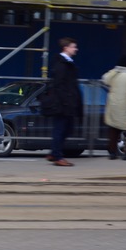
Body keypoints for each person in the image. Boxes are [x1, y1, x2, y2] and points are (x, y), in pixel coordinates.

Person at [46, 37, 83, 167]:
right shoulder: (62, 64)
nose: (76, 49)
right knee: (61, 129)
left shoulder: (66, 63)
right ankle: (57, 156)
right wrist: (66, 102)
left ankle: (54, 153)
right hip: (63, 104)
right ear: (66, 48)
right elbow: (60, 85)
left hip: (66, 103)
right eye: (74, 46)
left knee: (66, 129)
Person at [102, 54, 126, 160]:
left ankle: (112, 153)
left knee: (113, 130)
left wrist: (115, 69)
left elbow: (105, 79)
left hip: (113, 107)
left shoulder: (114, 73)